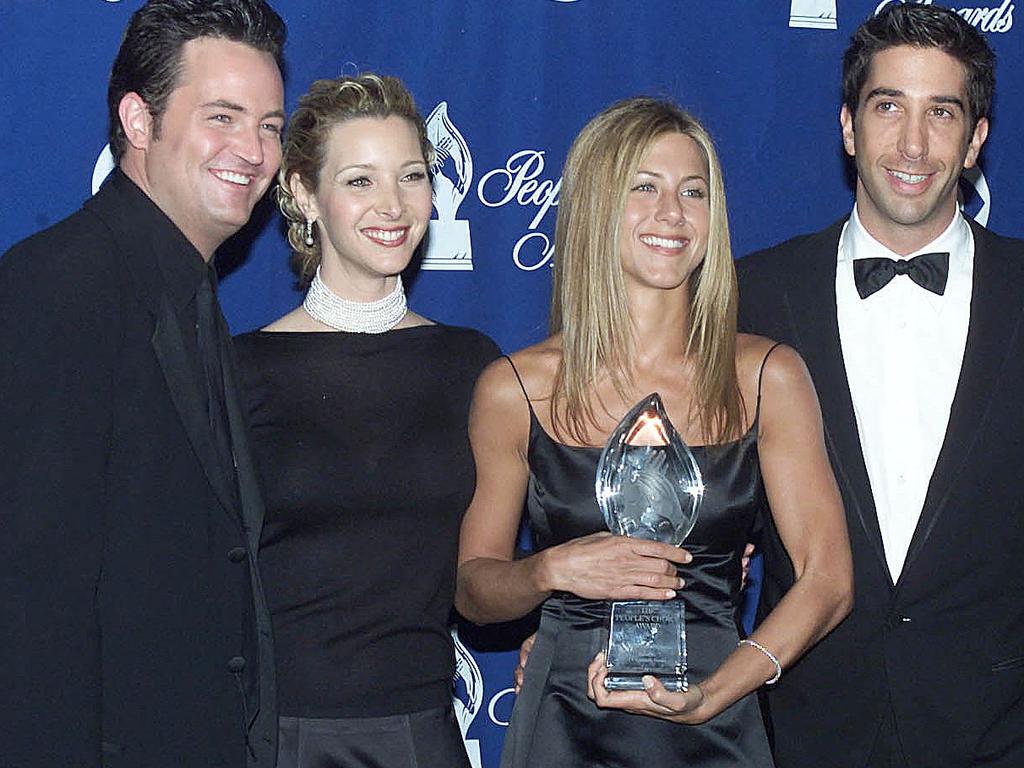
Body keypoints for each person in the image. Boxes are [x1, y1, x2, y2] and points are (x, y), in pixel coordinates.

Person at [456, 97, 852, 768]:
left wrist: (719, 691)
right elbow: (473, 589)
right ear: (594, 206)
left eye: (692, 192)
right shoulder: (513, 388)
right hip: (565, 723)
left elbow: (827, 579)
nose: (672, 213)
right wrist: (550, 569)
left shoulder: (767, 376)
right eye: (645, 187)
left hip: (718, 720)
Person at [737, 5, 1024, 768]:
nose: (912, 143)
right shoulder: (753, 295)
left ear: (976, 142)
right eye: (888, 105)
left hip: (997, 729)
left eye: (943, 113)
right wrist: (583, 627)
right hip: (803, 726)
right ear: (848, 127)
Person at [0, 1, 286, 765]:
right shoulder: (54, 288)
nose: (253, 151)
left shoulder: (192, 294)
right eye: (222, 117)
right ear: (138, 119)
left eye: (269, 125)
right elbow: (30, 601)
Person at [233, 74, 500, 768]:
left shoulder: (471, 364)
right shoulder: (237, 372)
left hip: (422, 731)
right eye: (360, 180)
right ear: (301, 193)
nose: (393, 205)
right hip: (275, 735)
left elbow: (509, 550)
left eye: (411, 175)